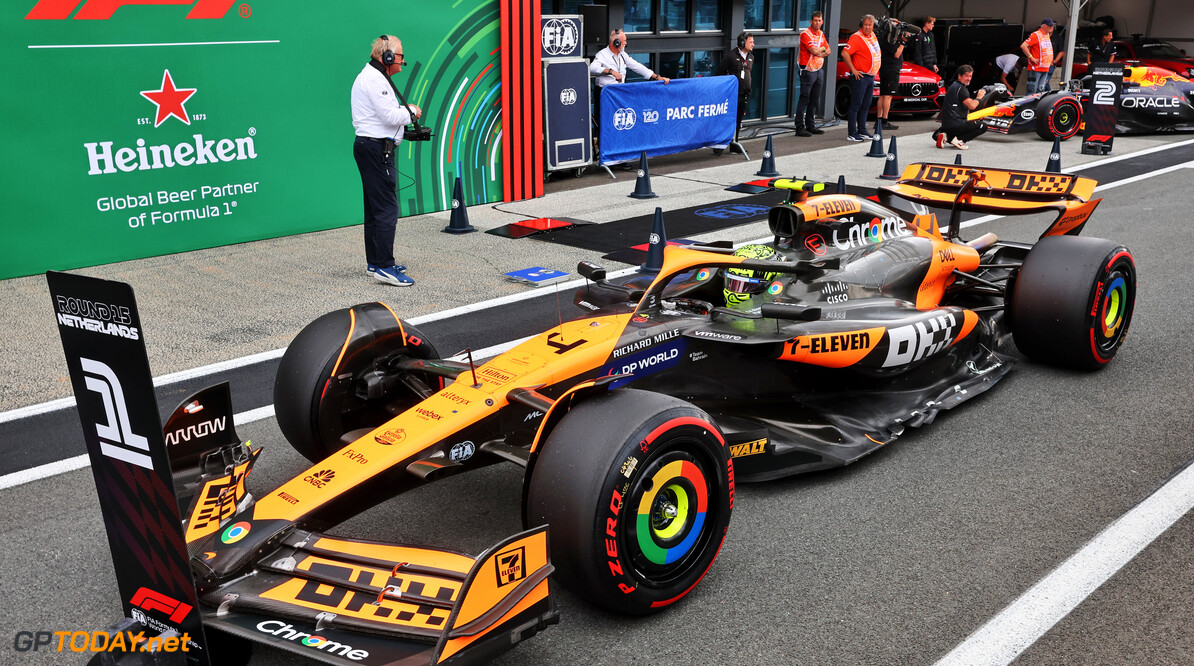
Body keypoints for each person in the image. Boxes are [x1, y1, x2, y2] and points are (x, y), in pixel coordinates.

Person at [351, 34, 422, 287]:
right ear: (388, 56)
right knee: (386, 209)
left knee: (374, 209)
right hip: (376, 150)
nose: (403, 61)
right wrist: (412, 110)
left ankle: (375, 262)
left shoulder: (374, 76)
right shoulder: (374, 79)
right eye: (400, 55)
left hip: (372, 148)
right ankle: (385, 267)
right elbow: (391, 115)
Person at [589, 29, 670, 128]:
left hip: (619, 93)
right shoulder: (602, 54)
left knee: (620, 122)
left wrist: (657, 77)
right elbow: (591, 68)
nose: (626, 44)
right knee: (605, 123)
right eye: (624, 41)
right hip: (606, 94)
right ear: (616, 43)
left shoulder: (623, 55)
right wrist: (611, 71)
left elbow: (637, 66)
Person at [843, 15, 881, 142]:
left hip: (870, 76)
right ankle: (852, 132)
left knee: (866, 105)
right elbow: (845, 53)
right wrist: (853, 69)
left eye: (870, 25)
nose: (867, 27)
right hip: (860, 76)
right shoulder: (856, 37)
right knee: (856, 105)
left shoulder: (873, 35)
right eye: (865, 24)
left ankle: (862, 130)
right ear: (861, 25)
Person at [932, 64, 987, 150]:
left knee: (968, 123)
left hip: (946, 124)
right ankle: (960, 140)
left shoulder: (953, 86)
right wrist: (979, 97)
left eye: (970, 76)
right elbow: (972, 106)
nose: (969, 79)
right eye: (966, 76)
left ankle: (946, 136)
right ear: (959, 76)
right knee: (983, 126)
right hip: (956, 124)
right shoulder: (961, 89)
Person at [716, 32, 755, 147]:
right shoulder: (730, 56)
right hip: (732, 96)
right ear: (742, 43)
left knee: (738, 121)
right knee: (726, 120)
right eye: (751, 42)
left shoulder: (751, 57)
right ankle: (720, 145)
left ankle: (735, 144)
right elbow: (719, 74)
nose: (753, 44)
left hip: (744, 95)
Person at [794, 12, 829, 137]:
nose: (817, 23)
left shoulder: (821, 34)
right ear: (811, 21)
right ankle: (799, 127)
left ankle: (811, 125)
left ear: (822, 21)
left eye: (819, 20)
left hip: (819, 69)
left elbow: (828, 50)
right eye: (815, 20)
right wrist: (820, 50)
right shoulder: (805, 34)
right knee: (805, 98)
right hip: (807, 70)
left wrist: (819, 51)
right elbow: (813, 50)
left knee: (814, 99)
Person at [874, 17, 907, 130]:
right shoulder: (890, 39)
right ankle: (884, 120)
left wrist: (895, 21)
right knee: (888, 96)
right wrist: (903, 42)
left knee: (883, 94)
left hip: (884, 68)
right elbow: (897, 54)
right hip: (891, 69)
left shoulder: (882, 37)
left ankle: (878, 120)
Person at [1021, 18, 1063, 94]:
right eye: (1049, 26)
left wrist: (1050, 61)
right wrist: (1031, 57)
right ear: (1043, 26)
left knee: (1040, 90)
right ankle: (1030, 105)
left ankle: (1036, 105)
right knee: (1032, 90)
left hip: (1045, 68)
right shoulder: (1036, 35)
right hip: (1036, 68)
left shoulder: (1046, 35)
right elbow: (1023, 46)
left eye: (1052, 26)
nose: (1051, 28)